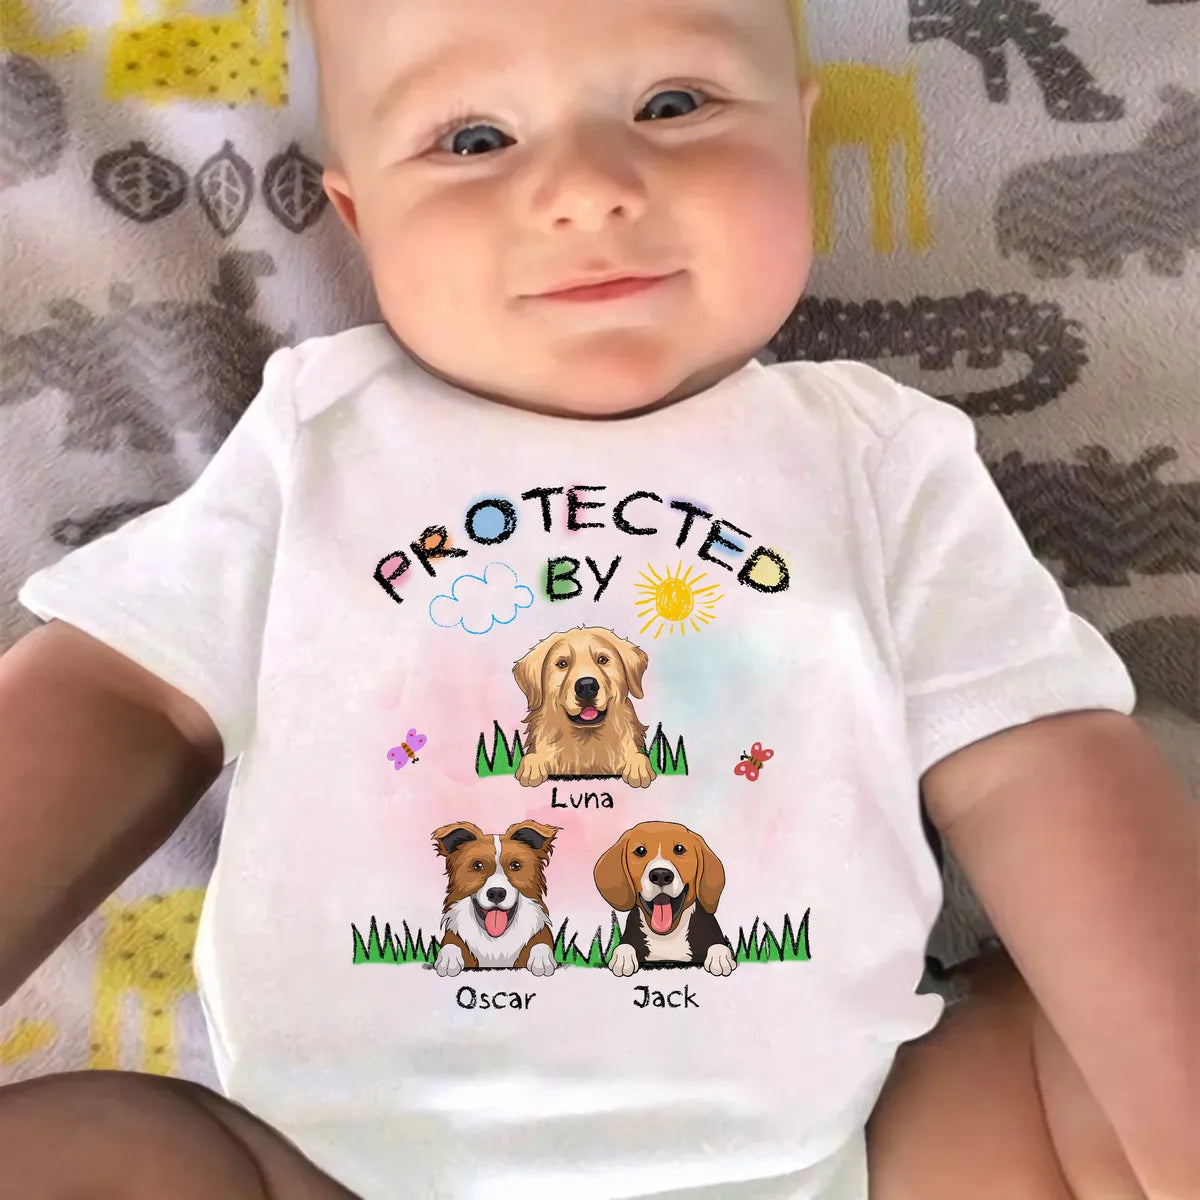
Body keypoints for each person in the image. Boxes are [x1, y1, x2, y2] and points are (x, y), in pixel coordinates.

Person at [0, 1, 1195, 1197]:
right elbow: (127, 698)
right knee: (104, 1152)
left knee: (1071, 1040)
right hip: (330, 1171)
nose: (587, 190)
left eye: (674, 105)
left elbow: (1027, 761)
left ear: (799, 138)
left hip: (839, 1158)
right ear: (361, 218)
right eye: (473, 139)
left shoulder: (872, 456)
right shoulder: (323, 437)